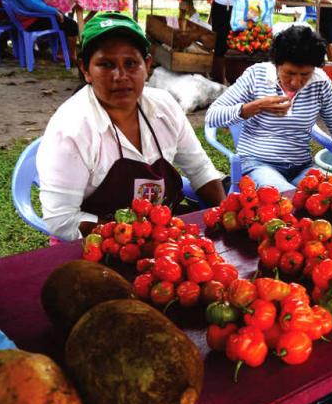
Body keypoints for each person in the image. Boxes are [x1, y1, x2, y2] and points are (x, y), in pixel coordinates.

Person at [37, 13, 225, 241]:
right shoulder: (72, 128)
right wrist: (135, 238)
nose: (120, 75)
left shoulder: (165, 107)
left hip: (160, 235)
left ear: (147, 66)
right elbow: (61, 220)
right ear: (85, 69)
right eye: (106, 64)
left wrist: (226, 214)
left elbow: (200, 170)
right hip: (93, 242)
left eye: (131, 63)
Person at [205, 25, 332, 193]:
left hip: (301, 167)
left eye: (305, 75)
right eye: (289, 73)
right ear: (276, 64)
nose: (296, 82)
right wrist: (256, 106)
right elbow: (212, 116)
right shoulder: (256, 76)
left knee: (328, 195)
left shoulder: (320, 83)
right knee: (288, 199)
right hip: (257, 164)